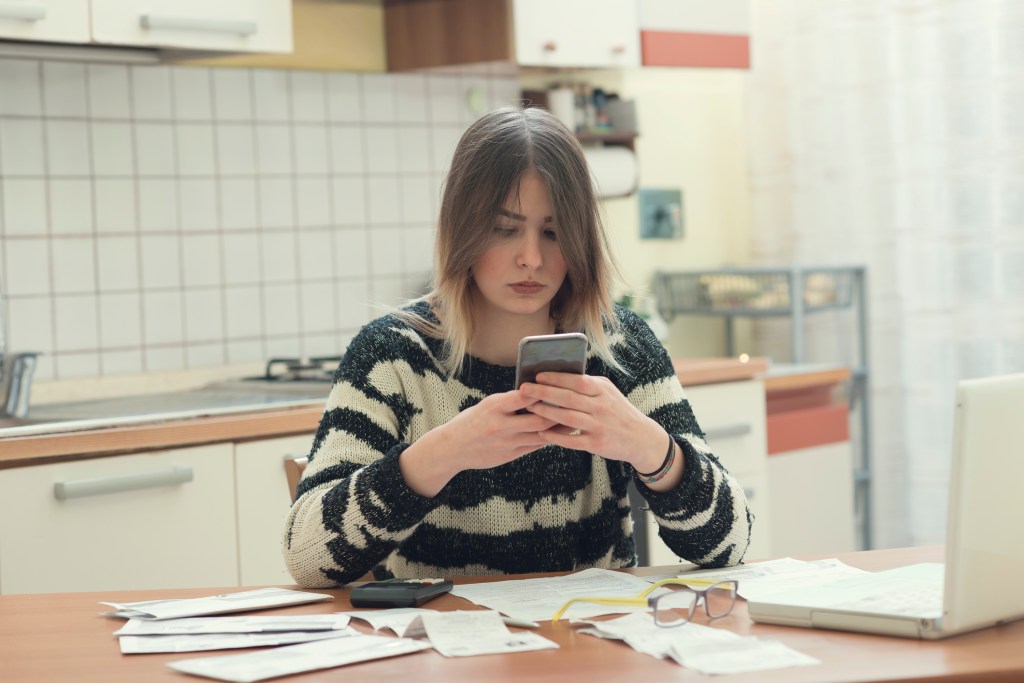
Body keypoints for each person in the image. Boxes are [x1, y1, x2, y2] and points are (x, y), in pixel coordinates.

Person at [284, 105, 752, 587]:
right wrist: (442, 454)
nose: (531, 258)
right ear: (461, 230)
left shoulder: (620, 347)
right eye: (505, 229)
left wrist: (651, 449)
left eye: (554, 233)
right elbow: (306, 557)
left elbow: (732, 542)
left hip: (591, 646)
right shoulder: (393, 356)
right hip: (443, 652)